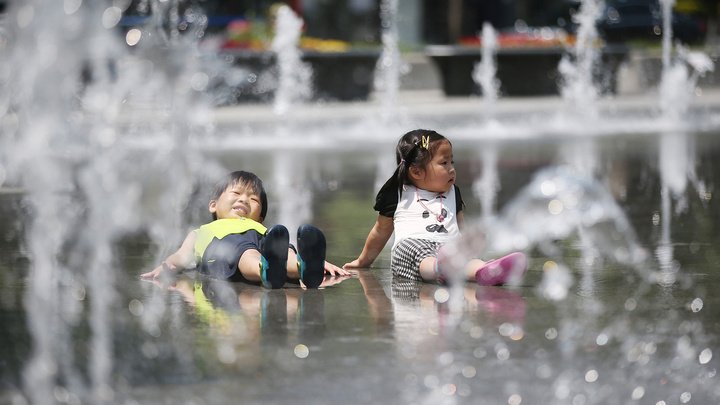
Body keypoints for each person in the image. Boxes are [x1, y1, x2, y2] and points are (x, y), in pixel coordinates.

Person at [343, 129, 527, 285]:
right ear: (416, 171)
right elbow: (380, 231)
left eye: (452, 162)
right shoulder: (398, 193)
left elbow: (460, 225)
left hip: (448, 248)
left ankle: (484, 270)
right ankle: (441, 269)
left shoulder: (453, 192)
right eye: (444, 163)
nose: (452, 169)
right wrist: (362, 261)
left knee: (464, 258)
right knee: (421, 255)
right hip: (412, 247)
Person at [141, 170, 348, 288]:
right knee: (246, 252)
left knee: (283, 250)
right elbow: (181, 256)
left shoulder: (263, 230)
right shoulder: (202, 231)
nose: (244, 199)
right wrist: (166, 267)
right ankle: (264, 269)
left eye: (253, 198)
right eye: (237, 193)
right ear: (213, 205)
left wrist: (319, 262)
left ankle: (304, 267)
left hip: (264, 246)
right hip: (224, 246)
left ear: (261, 217)